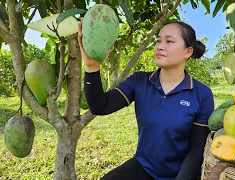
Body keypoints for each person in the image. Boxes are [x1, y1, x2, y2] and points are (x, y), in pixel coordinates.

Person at [78, 19, 214, 180]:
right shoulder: (140, 81)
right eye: (158, 41)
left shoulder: (201, 94)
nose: (160, 46)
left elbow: (197, 150)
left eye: (169, 41)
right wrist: (91, 67)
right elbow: (100, 106)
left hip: (181, 174)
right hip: (144, 167)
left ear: (188, 52)